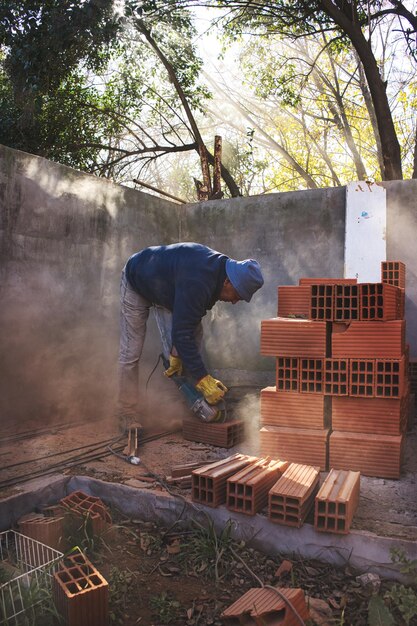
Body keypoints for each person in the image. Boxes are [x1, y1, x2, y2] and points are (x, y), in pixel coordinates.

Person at [117, 242, 264, 432]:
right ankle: (126, 412)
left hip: (166, 290)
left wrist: (176, 355)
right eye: (237, 295)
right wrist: (204, 379)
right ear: (228, 282)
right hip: (136, 280)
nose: (235, 302)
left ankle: (188, 402)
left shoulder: (217, 276)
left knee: (191, 338)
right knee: (131, 350)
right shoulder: (199, 280)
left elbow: (189, 322)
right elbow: (182, 333)